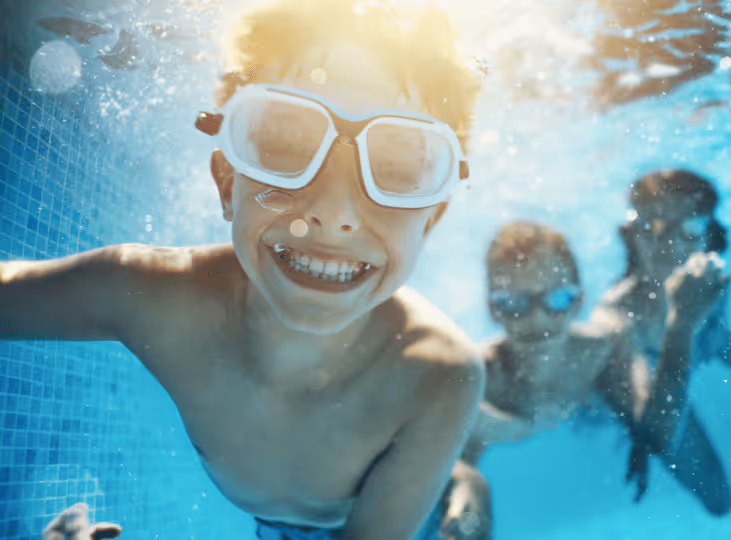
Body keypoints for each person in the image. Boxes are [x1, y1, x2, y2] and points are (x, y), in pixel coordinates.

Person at [3, 1, 485, 539]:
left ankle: (463, 480)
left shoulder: (438, 374)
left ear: (432, 219)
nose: (334, 213)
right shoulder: (154, 299)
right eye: (285, 145)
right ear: (228, 183)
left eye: (397, 169)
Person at [437, 222, 729, 539]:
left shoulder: (603, 347)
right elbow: (447, 466)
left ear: (579, 301)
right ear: (492, 309)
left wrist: (682, 326)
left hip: (602, 403)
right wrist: (468, 489)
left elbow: (660, 435)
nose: (538, 320)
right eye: (513, 303)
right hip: (574, 405)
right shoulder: (477, 379)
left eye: (557, 299)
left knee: (720, 500)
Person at [592, 168, 731, 515]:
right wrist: (640, 437)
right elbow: (638, 406)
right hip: (606, 405)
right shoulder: (618, 312)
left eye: (690, 225)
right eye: (654, 224)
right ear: (634, 234)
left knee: (720, 501)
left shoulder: (709, 284)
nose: (672, 241)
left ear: (709, 235)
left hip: (663, 397)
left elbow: (720, 340)